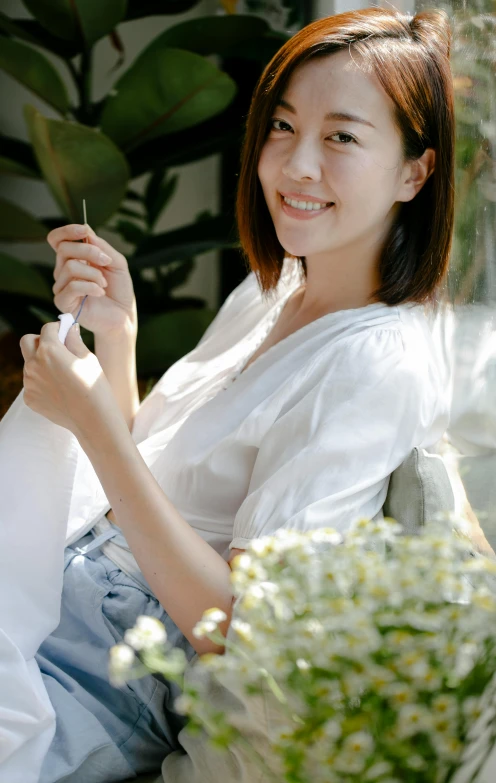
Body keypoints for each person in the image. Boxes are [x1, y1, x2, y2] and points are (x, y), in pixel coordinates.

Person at [0, 7, 455, 782]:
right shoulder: (275, 288)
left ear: (415, 171)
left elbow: (234, 624)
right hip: (64, 582)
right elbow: (163, 473)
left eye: (341, 137)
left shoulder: (377, 365)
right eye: (281, 126)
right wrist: (121, 334)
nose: (295, 165)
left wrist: (93, 423)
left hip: (105, 666)